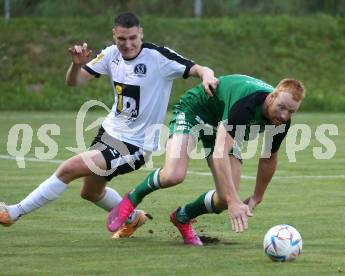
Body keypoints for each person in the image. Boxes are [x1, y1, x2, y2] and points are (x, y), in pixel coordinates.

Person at [0, 12, 218, 239]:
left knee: (68, 168)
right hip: (109, 134)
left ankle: (12, 213)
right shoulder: (111, 54)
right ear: (114, 35)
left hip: (135, 146)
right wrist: (76, 65)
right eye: (122, 38)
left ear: (141, 34)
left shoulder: (158, 57)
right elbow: (74, 82)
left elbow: (199, 68)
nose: (127, 44)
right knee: (90, 192)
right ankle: (133, 219)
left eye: (133, 38)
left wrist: (207, 76)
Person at [107, 74, 305, 245]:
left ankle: (183, 217)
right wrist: (236, 201)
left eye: (291, 112)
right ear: (272, 97)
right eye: (281, 107)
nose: (284, 115)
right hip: (196, 111)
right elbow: (220, 152)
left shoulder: (281, 122)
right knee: (173, 175)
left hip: (223, 122)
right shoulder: (246, 105)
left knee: (225, 198)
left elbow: (269, 157)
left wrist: (256, 196)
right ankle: (134, 196)